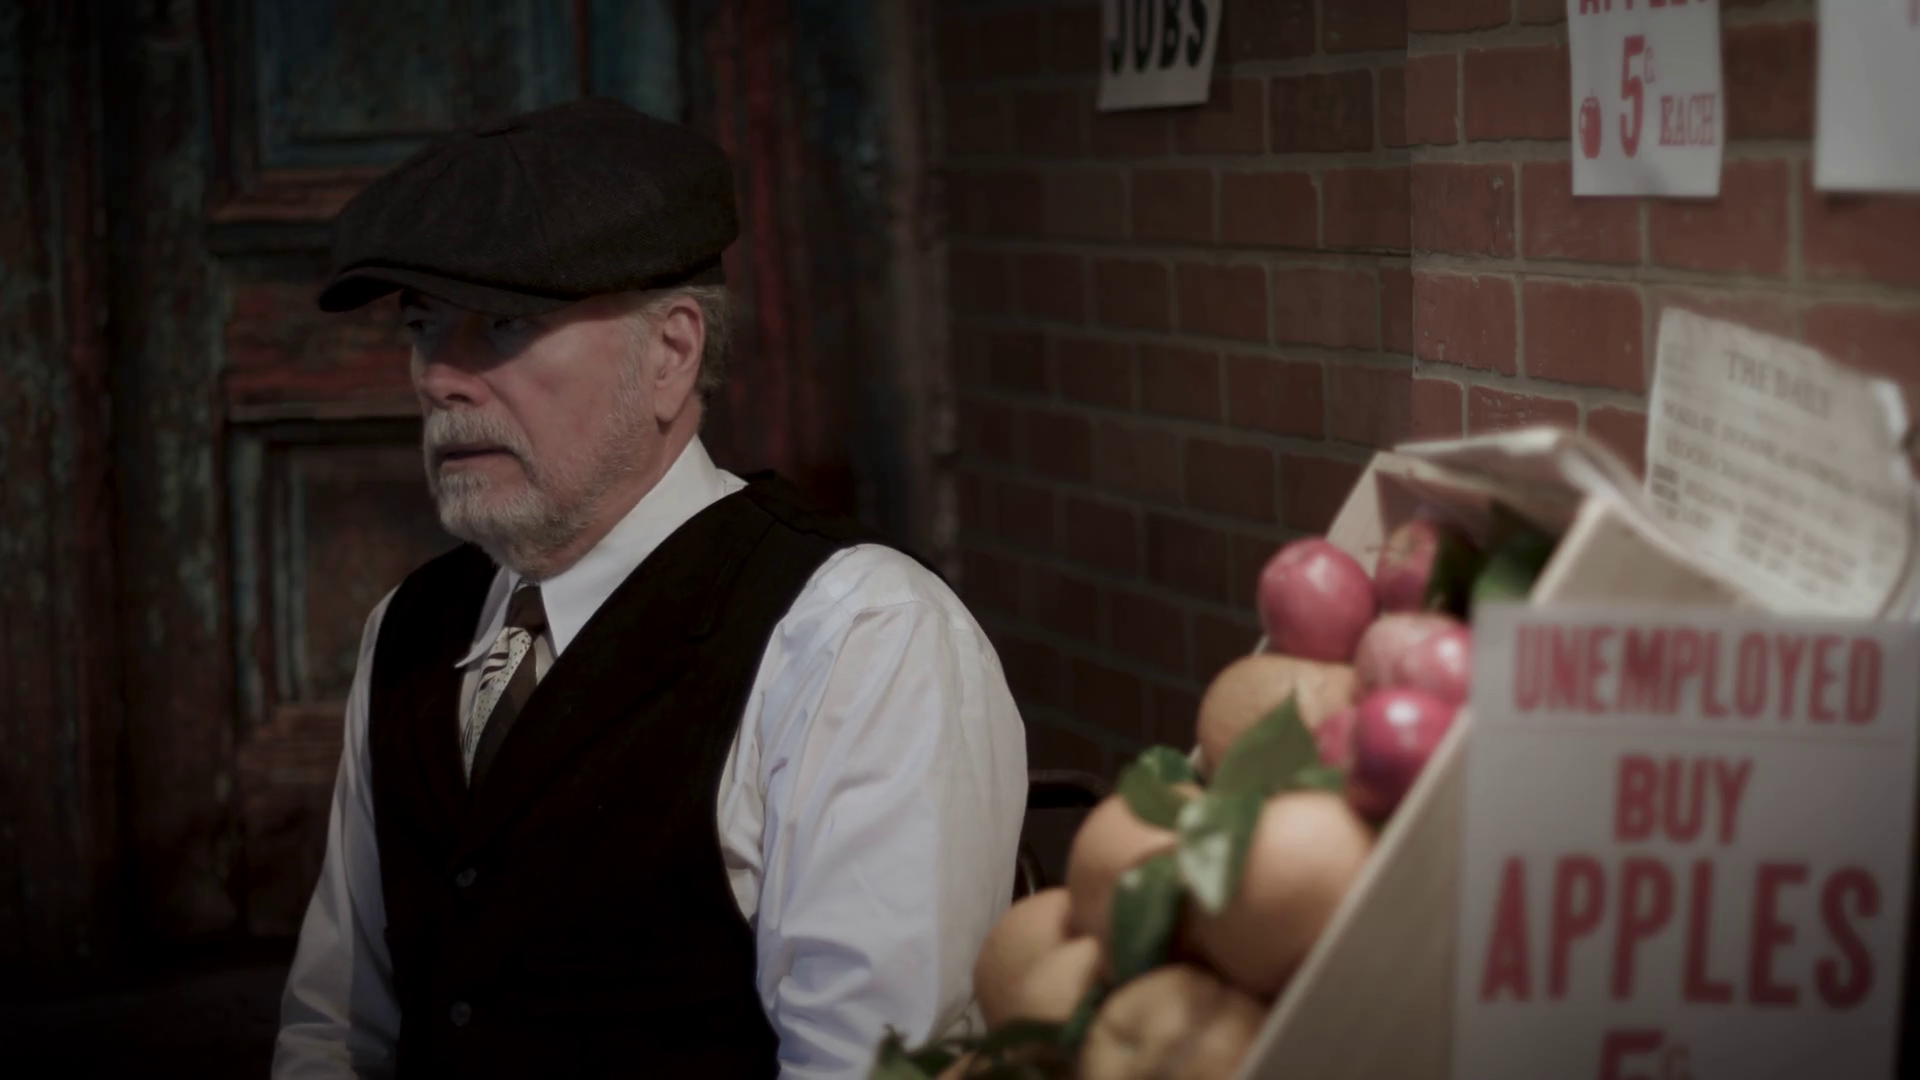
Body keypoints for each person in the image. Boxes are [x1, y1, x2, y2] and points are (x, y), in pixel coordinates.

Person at [270, 96, 1028, 1079]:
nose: (439, 380)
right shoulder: (410, 629)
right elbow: (336, 1029)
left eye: (503, 325)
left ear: (671, 354)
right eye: (424, 329)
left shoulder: (859, 644)